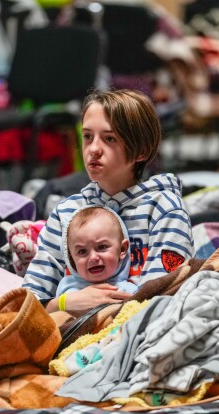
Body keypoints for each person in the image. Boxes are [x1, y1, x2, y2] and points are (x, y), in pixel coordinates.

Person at [22, 89, 193, 313]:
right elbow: (29, 301)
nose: (93, 149)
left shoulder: (165, 209)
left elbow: (163, 296)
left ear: (141, 150)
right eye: (87, 136)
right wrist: (65, 303)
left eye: (109, 138)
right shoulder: (67, 212)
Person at [55, 205, 137, 300]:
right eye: (82, 251)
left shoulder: (129, 292)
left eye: (101, 247)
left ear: (122, 249)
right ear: (71, 257)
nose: (93, 257)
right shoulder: (66, 288)